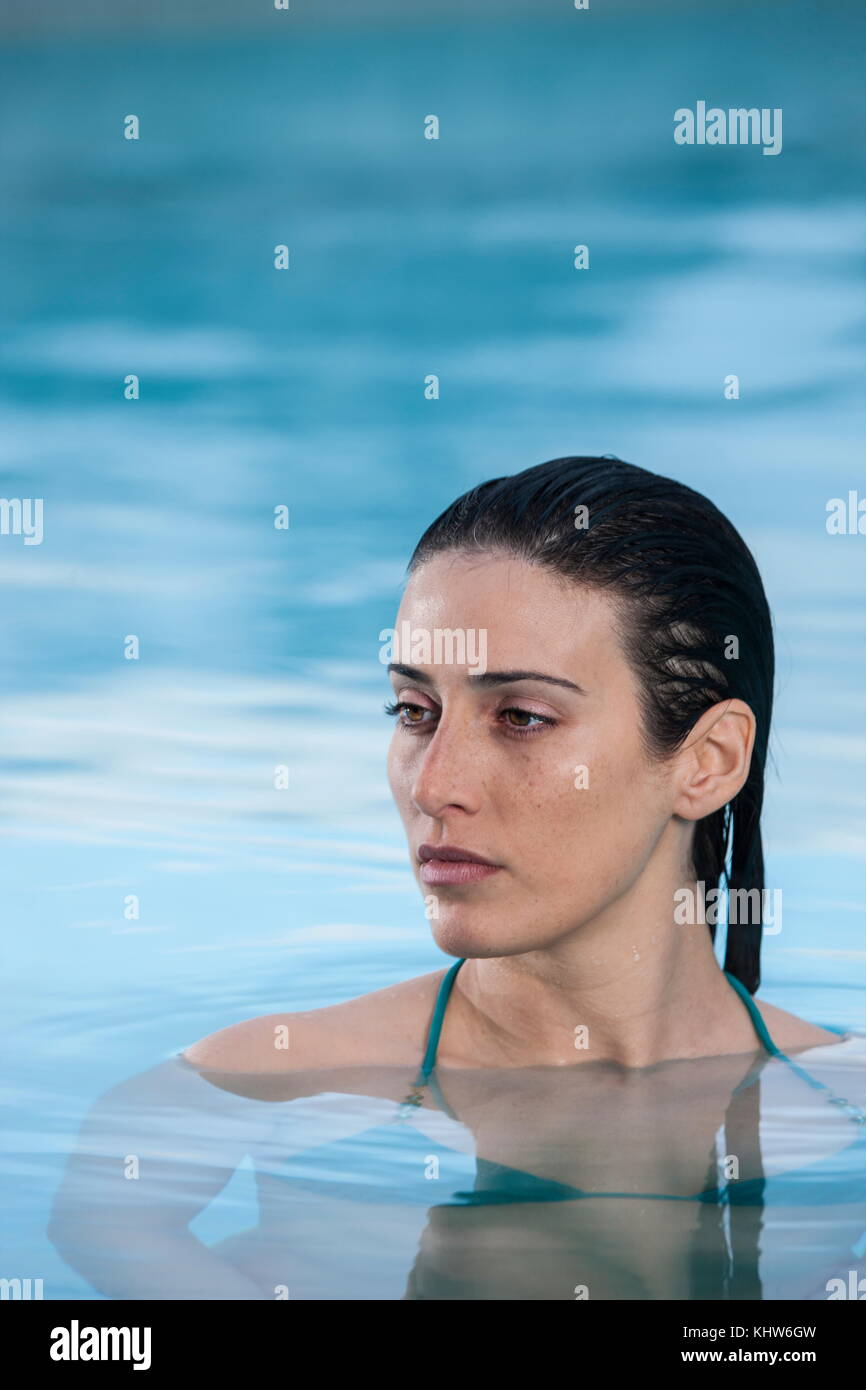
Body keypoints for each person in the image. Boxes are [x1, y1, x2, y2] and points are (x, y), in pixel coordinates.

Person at [50, 456, 865, 1301]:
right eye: (414, 711)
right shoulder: (274, 1080)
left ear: (706, 761)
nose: (435, 785)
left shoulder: (843, 1104)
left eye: (521, 717)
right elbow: (100, 1217)